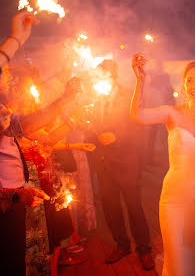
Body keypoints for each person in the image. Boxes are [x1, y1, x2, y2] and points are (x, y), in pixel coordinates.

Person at [131, 54, 195, 276]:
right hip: (175, 199)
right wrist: (140, 81)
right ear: (183, 85)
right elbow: (138, 115)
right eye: (189, 80)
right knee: (178, 260)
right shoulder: (172, 113)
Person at [0, 76, 80, 276]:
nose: (7, 79)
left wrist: (68, 102)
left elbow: (31, 126)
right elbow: (44, 136)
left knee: (28, 250)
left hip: (20, 193)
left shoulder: (9, 116)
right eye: (5, 73)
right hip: (10, 196)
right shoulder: (6, 115)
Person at [85, 59, 154, 269]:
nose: (98, 80)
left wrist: (117, 136)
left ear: (112, 76)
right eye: (97, 76)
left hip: (126, 162)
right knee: (110, 207)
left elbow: (138, 126)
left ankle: (144, 249)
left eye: (102, 75)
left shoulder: (128, 96)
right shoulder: (96, 98)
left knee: (134, 207)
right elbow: (94, 126)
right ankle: (121, 244)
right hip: (103, 162)